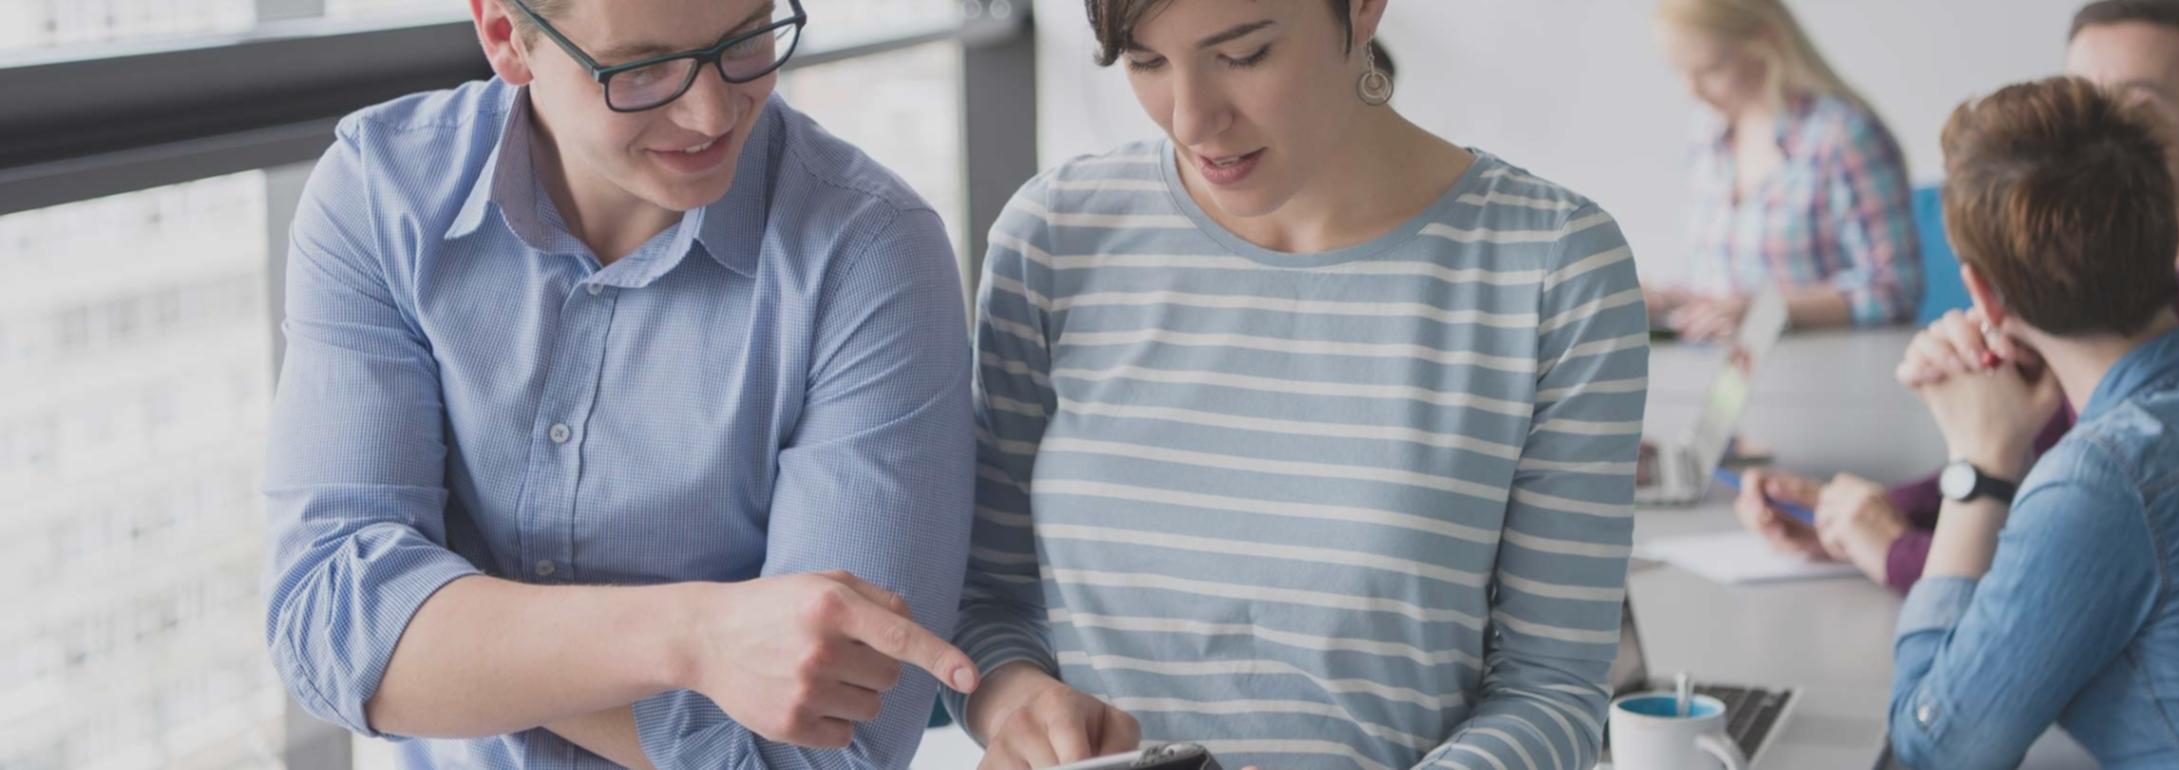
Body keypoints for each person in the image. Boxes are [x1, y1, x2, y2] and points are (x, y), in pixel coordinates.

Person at [261, 0, 980, 767]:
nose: (712, 110)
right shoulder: (384, 192)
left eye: (747, 37)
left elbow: (833, 749)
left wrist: (460, 640)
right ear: (507, 36)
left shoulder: (871, 253)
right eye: (642, 67)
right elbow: (328, 622)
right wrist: (697, 639)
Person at [950, 1, 1649, 769]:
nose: (1190, 119)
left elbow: (1552, 687)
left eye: (1244, 56)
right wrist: (1018, 704)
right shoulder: (1052, 238)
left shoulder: (1554, 266)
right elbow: (988, 598)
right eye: (1145, 61)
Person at [1733, 0, 2179, 593]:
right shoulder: (2079, 285)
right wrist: (1852, 512)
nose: (2095, 138)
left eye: (2132, 109)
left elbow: (2101, 564)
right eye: (2084, 102)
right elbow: (2030, 466)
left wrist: (1896, 549)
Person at [1885, 74, 2179, 769]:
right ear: (2166, 231)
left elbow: (1932, 755)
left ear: (1981, 292)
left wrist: (1979, 464)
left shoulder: (2105, 484)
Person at [1645, 0, 1922, 340]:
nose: (1692, 91)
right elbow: (1724, 291)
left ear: (1765, 41)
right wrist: (1666, 302)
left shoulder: (1843, 137)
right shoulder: (1707, 136)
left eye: (1711, 69)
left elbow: (1895, 289)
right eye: (1679, 71)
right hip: (1725, 375)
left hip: (1818, 375)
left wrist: (1766, 313)